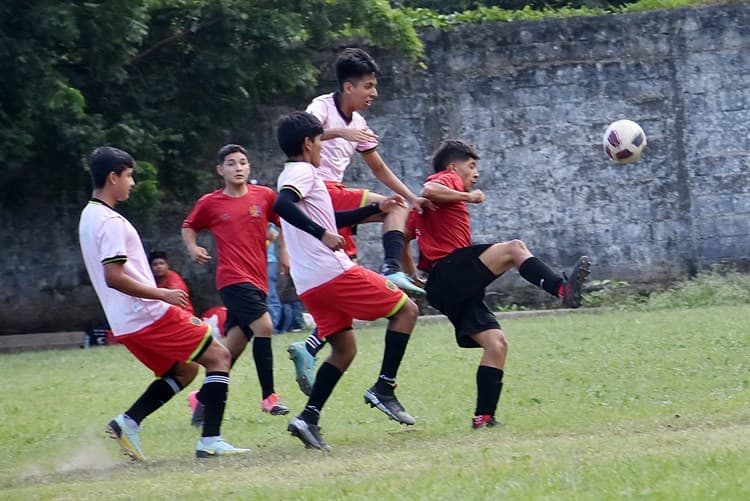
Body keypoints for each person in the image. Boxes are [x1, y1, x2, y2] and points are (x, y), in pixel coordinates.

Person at [78, 146, 249, 460]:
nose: (132, 183)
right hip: (147, 313)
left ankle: (127, 422)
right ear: (113, 177)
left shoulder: (88, 216)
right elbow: (113, 276)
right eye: (129, 176)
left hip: (125, 321)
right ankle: (210, 440)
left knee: (185, 370)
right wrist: (163, 294)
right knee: (220, 357)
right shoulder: (110, 221)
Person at [408, 139, 591, 429]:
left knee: (496, 344)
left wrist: (413, 275)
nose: (476, 174)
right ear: (454, 167)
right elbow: (428, 189)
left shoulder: (429, 207)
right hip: (450, 272)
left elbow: (406, 236)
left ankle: (484, 417)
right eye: (472, 166)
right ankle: (561, 289)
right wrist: (469, 197)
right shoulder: (447, 179)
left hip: (443, 286)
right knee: (514, 248)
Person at [287, 47, 435, 394]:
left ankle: (307, 349)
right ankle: (390, 269)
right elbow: (301, 138)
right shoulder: (320, 107)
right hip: (319, 192)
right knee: (391, 206)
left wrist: (415, 197)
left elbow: (378, 167)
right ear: (348, 87)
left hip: (331, 203)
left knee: (344, 291)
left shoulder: (361, 123)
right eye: (369, 86)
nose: (374, 94)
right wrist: (340, 135)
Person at [275, 111, 420, 450]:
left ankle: (307, 419)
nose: (323, 150)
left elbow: (330, 216)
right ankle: (384, 387)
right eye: (321, 143)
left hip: (310, 282)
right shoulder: (302, 171)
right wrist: (323, 234)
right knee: (407, 310)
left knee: (344, 349)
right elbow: (284, 205)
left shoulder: (298, 175)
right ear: (308, 143)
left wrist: (377, 208)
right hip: (332, 272)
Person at [182, 144, 290, 425]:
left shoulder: (264, 196)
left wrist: (285, 253)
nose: (238, 167)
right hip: (232, 279)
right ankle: (269, 397)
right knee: (265, 326)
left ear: (249, 167)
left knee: (230, 350)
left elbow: (284, 222)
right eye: (231, 163)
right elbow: (189, 225)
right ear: (221, 170)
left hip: (259, 280)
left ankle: (202, 398)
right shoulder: (211, 202)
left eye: (243, 162)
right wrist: (192, 248)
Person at [266, 223, 283, 332]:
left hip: (269, 262)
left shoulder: (270, 226)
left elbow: (271, 236)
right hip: (252, 261)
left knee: (271, 294)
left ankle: (273, 326)